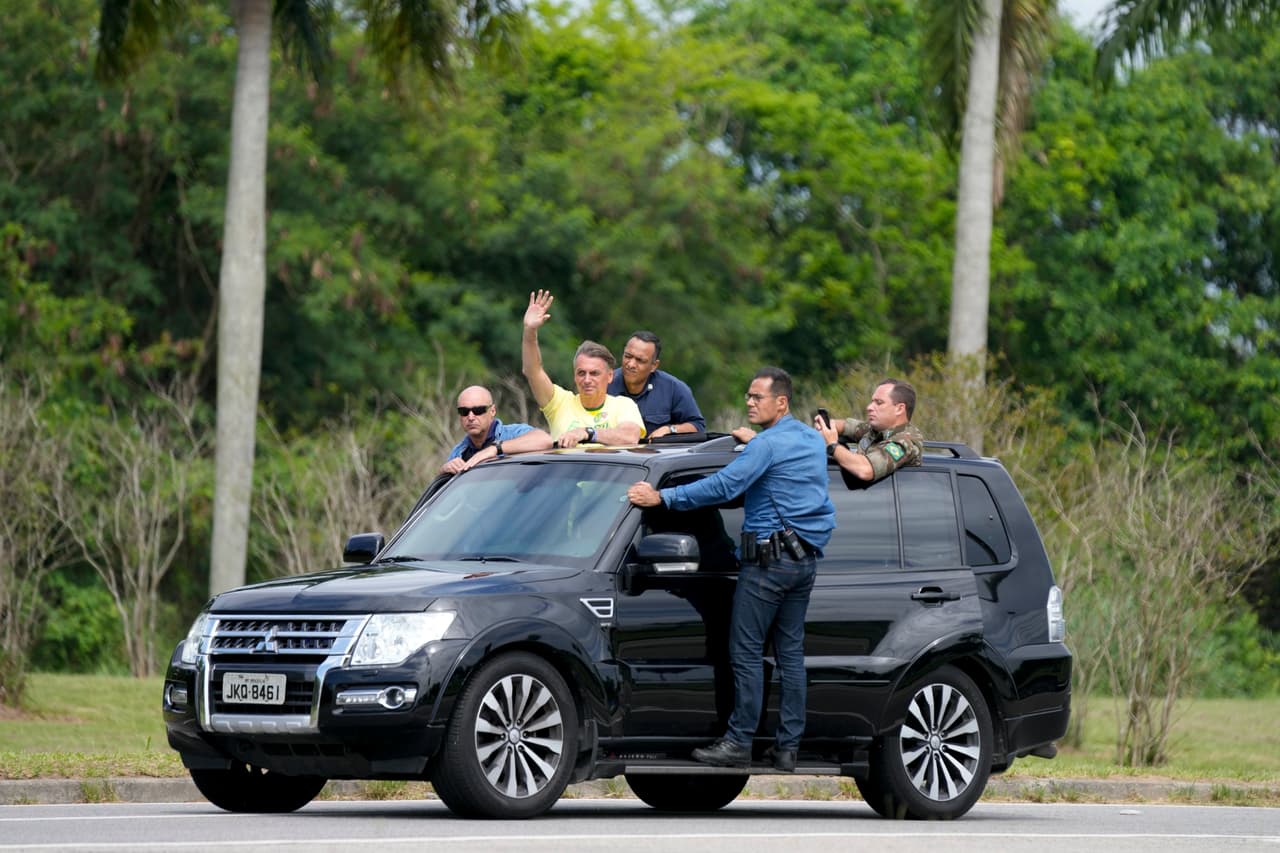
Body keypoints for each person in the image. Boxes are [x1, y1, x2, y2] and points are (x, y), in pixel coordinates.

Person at [627, 367, 835, 773]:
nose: (749, 402)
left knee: (744, 653)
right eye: (748, 395)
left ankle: (738, 742)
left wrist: (662, 498)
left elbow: (723, 487)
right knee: (790, 656)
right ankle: (787, 748)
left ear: (782, 402)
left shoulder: (765, 447)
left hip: (768, 565)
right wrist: (756, 442)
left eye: (758, 397)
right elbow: (778, 469)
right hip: (804, 561)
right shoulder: (810, 440)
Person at [522, 290, 645, 447]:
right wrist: (529, 331)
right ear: (575, 376)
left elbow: (629, 437)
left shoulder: (622, 405)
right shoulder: (560, 403)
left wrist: (587, 433)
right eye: (581, 373)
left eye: (594, 373)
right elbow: (533, 371)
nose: (587, 380)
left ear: (609, 376)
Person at [817, 378, 924, 482]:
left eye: (879, 402)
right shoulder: (878, 430)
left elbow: (866, 470)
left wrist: (832, 445)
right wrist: (827, 425)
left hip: (886, 498)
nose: (869, 407)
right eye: (872, 402)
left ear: (899, 409)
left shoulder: (904, 443)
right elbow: (848, 426)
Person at [606, 330, 706, 439]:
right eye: (628, 356)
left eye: (640, 360)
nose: (631, 364)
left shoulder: (673, 388)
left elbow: (698, 426)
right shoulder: (605, 383)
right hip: (613, 454)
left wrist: (670, 429)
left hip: (656, 454)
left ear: (654, 365)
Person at [440, 386, 553, 475]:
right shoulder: (458, 453)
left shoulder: (513, 434)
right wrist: (443, 472)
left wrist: (496, 449)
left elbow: (545, 440)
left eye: (478, 410)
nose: (470, 417)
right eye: (464, 411)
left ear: (493, 411)